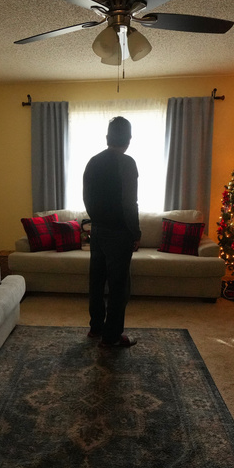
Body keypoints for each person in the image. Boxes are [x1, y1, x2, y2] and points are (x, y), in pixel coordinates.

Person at [83, 116, 141, 348]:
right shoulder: (127, 163)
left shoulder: (93, 162)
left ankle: (96, 328)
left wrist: (96, 220)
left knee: (96, 282)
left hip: (97, 231)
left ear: (107, 138)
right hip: (119, 233)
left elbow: (86, 198)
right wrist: (135, 233)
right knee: (118, 287)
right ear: (128, 139)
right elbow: (129, 202)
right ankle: (112, 337)